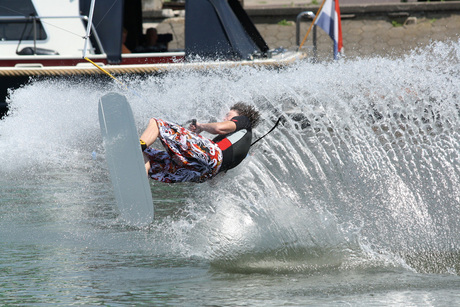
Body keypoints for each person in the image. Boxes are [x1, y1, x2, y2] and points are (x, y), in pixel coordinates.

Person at [139, 103, 260, 183]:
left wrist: (200, 126)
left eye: (228, 115)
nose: (224, 118)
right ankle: (141, 175)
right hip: (205, 173)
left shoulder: (244, 121)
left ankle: (138, 146)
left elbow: (218, 128)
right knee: (151, 158)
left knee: (156, 123)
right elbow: (217, 175)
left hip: (213, 157)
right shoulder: (237, 143)